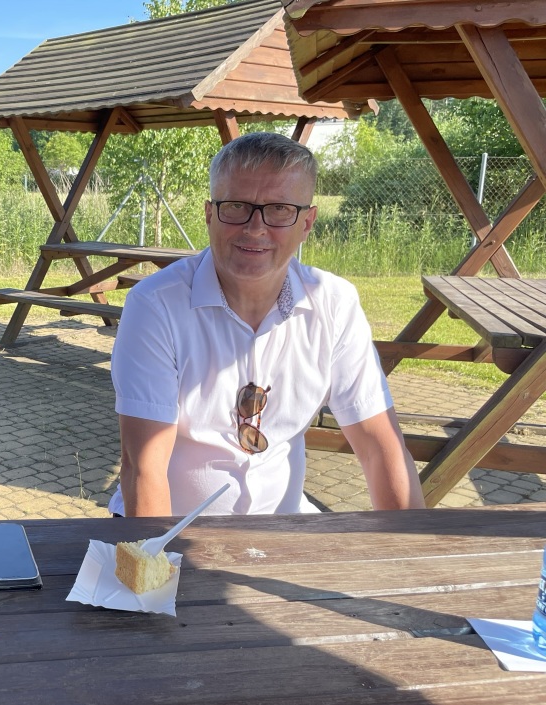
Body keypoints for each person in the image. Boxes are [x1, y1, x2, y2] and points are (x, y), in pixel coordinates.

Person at [109, 132, 423, 517]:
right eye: (236, 206)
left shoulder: (334, 304)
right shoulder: (156, 305)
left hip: (284, 528)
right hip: (173, 530)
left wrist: (409, 548)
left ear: (307, 222)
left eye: (279, 209)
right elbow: (144, 467)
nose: (255, 228)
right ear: (209, 214)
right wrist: (160, 555)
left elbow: (380, 448)